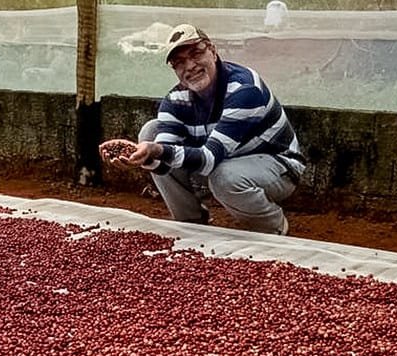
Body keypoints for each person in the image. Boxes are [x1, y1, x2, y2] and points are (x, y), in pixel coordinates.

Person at [100, 24, 305, 235]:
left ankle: (273, 228)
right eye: (179, 63)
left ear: (213, 51)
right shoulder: (175, 100)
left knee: (223, 176)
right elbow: (165, 167)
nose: (189, 66)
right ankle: (191, 223)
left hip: (277, 167)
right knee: (151, 133)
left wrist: (157, 151)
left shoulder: (244, 89)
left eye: (196, 54)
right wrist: (142, 159)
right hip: (221, 160)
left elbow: (208, 159)